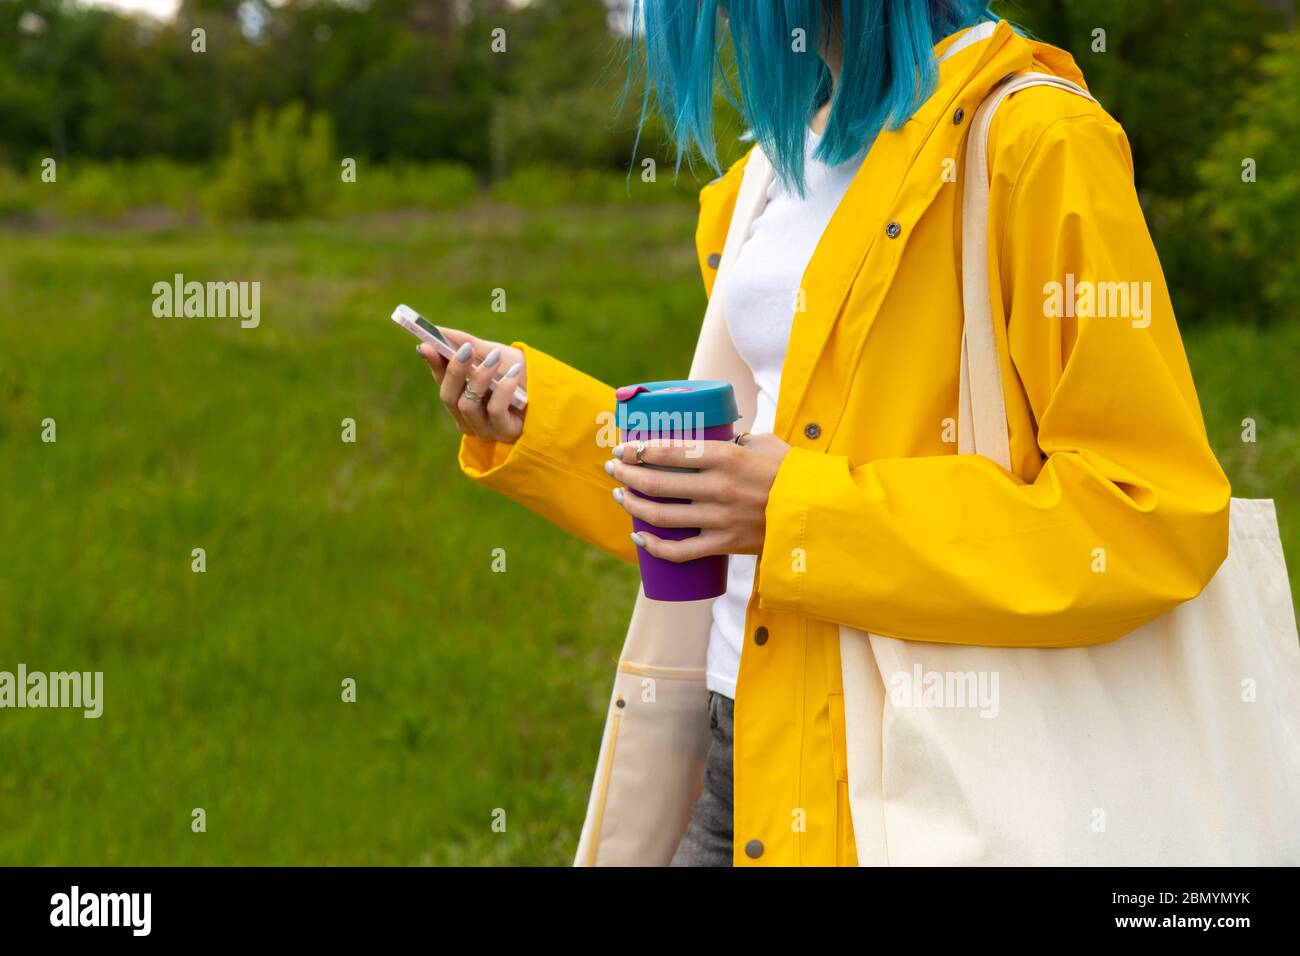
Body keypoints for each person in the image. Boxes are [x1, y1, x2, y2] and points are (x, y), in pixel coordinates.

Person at [415, 1, 1231, 866]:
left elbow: (1149, 516)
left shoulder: (1037, 140)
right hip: (738, 739)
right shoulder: (771, 174)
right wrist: (537, 418)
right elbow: (731, 485)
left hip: (925, 778)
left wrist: (796, 514)